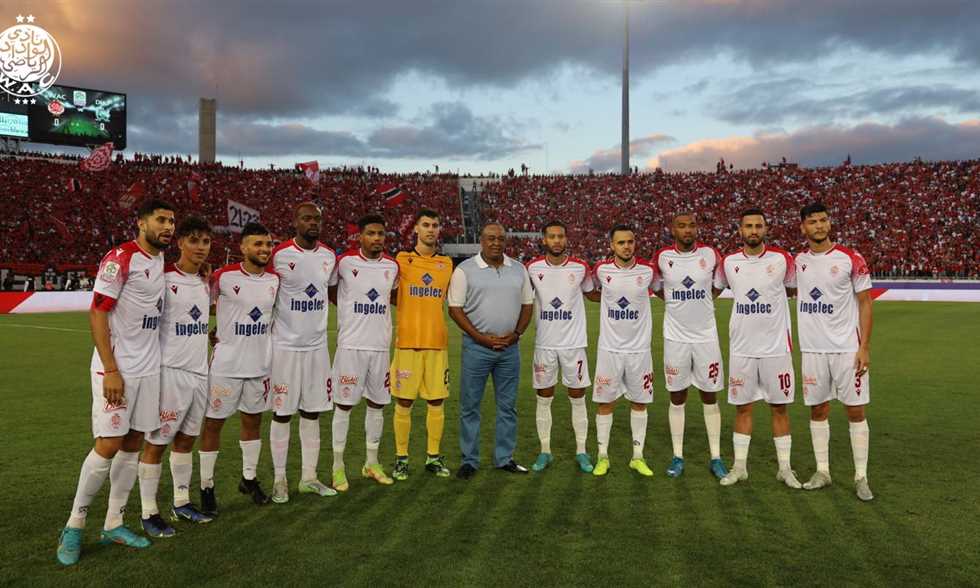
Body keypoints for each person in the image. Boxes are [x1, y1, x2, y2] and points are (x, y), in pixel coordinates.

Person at [56, 198, 174, 566]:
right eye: (160, 220)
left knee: (133, 442)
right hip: (117, 369)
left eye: (171, 221)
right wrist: (110, 368)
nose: (168, 227)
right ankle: (74, 525)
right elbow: (97, 312)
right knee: (108, 444)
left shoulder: (159, 261)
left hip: (148, 369)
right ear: (141, 223)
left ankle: (114, 522)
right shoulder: (120, 258)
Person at [138, 216, 214, 538]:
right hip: (170, 374)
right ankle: (147, 512)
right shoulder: (163, 279)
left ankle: (181, 502)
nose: (200, 248)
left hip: (200, 373)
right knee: (156, 442)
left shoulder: (204, 281)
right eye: (194, 240)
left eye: (206, 242)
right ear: (180, 242)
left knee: (186, 440)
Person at [794, 202, 874, 501]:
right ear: (803, 227)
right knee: (818, 409)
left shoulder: (850, 258)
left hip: (846, 350)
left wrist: (864, 347)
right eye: (812, 221)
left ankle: (861, 476)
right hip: (812, 351)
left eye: (823, 220)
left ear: (830, 224)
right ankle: (823, 471)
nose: (819, 225)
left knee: (855, 410)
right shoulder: (796, 262)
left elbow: (866, 302)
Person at [716, 208, 801, 489]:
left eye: (758, 226)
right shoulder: (729, 262)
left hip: (776, 348)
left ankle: (785, 469)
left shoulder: (781, 259)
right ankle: (740, 467)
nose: (753, 230)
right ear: (740, 230)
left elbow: (792, 289)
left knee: (779, 409)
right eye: (748, 226)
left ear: (766, 229)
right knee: (743, 408)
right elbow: (715, 289)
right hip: (742, 348)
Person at [198, 223, 279, 512]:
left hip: (260, 365)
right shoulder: (223, 276)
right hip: (226, 366)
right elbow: (199, 304)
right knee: (213, 423)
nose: (264, 249)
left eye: (268, 244)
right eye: (257, 244)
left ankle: (249, 479)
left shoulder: (274, 280)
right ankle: (206, 486)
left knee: (253, 422)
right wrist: (217, 328)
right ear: (243, 247)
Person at [448, 223, 533, 479]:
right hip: (477, 348)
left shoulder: (518, 269)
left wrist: (516, 335)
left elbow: (527, 305)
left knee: (507, 406)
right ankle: (469, 460)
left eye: (500, 238)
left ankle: (504, 458)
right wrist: (480, 338)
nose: (496, 242)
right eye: (490, 238)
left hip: (509, 349)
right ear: (481, 240)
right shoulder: (465, 270)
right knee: (470, 406)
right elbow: (455, 308)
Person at [267, 203, 338, 503]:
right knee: (282, 413)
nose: (313, 223)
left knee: (313, 411)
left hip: (317, 348)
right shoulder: (280, 255)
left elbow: (333, 292)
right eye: (307, 218)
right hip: (285, 348)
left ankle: (309, 477)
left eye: (317, 219)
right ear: (295, 221)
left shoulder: (328, 256)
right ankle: (280, 479)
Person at [652, 213, 728, 480]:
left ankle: (716, 457)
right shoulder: (662, 257)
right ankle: (678, 455)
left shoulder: (710, 254)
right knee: (677, 396)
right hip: (675, 338)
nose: (687, 230)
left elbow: (716, 288)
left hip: (706, 337)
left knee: (710, 395)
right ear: (673, 229)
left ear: (697, 229)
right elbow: (659, 289)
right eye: (682, 226)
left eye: (692, 225)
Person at [329, 214, 400, 490]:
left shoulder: (392, 267)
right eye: (371, 233)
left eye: (381, 234)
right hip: (351, 346)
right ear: (360, 236)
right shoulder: (345, 262)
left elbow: (390, 297)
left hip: (380, 347)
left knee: (377, 404)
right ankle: (337, 467)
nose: (377, 238)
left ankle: (371, 463)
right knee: (344, 405)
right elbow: (332, 291)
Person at [585, 224, 657, 478]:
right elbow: (592, 293)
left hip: (639, 351)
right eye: (621, 243)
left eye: (630, 242)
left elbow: (660, 290)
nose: (626, 246)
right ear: (612, 246)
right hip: (610, 350)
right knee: (606, 403)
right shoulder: (602, 271)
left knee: (640, 403)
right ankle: (602, 456)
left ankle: (637, 457)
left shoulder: (648, 272)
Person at [525, 221, 594, 473]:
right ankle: (545, 451)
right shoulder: (532, 268)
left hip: (574, 345)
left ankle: (581, 451)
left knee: (578, 398)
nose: (556, 240)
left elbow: (593, 294)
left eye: (560, 236)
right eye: (552, 236)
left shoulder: (580, 268)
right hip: (545, 344)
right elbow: (523, 299)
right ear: (544, 240)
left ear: (566, 239)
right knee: (544, 399)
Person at [390, 209, 454, 480]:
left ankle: (432, 457)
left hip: (436, 344)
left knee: (436, 401)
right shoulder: (401, 260)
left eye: (435, 225)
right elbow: (391, 294)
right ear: (415, 228)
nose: (430, 229)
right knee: (404, 402)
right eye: (426, 225)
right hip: (407, 343)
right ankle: (401, 459)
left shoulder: (447, 264)